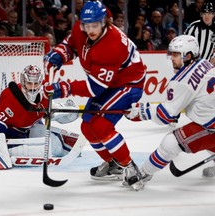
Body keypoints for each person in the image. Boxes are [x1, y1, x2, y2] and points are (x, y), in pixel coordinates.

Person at [43, 0, 146, 190]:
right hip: (108, 83)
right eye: (87, 25)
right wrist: (60, 53)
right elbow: (71, 44)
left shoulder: (112, 45)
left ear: (104, 22)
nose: (90, 30)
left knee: (101, 125)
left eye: (95, 25)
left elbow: (95, 89)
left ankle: (130, 168)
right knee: (87, 127)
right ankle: (112, 163)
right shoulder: (81, 28)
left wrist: (63, 89)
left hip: (128, 83)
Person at [126, 35, 215, 182]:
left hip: (211, 127)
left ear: (188, 55)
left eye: (175, 54)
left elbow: (165, 116)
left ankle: (143, 174)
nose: (171, 58)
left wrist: (141, 112)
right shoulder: (203, 63)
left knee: (171, 142)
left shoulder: (182, 81)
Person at [0, 65, 79, 169]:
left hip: (25, 127)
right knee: (44, 149)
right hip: (8, 132)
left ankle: (64, 147)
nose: (33, 87)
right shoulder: (10, 100)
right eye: (29, 83)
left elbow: (49, 112)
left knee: (55, 145)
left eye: (36, 83)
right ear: (23, 82)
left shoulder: (44, 94)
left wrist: (67, 113)